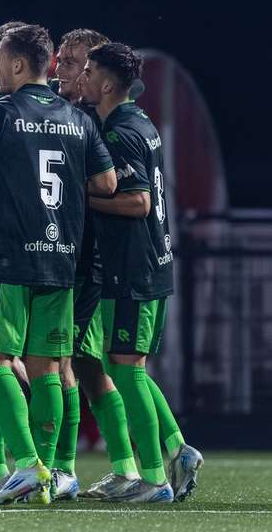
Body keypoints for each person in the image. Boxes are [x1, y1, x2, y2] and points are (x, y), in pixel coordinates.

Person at [0, 24, 116, 506]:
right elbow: (108, 183)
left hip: (7, 257)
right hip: (62, 259)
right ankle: (51, 472)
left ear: (17, 64)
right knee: (48, 366)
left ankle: (28, 465)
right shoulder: (80, 120)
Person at [80, 42, 203, 502]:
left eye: (88, 71)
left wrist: (81, 198)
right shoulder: (139, 121)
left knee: (127, 370)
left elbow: (137, 202)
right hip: (144, 265)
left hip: (135, 268)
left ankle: (153, 479)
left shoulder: (120, 132)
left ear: (108, 84)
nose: (84, 78)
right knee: (125, 365)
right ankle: (176, 450)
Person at [51, 28, 142, 501]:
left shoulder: (98, 121)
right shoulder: (53, 104)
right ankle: (129, 464)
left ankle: (61, 468)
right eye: (63, 61)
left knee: (61, 359)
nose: (64, 71)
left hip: (84, 260)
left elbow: (123, 193)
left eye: (76, 64)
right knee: (86, 363)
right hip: (62, 255)